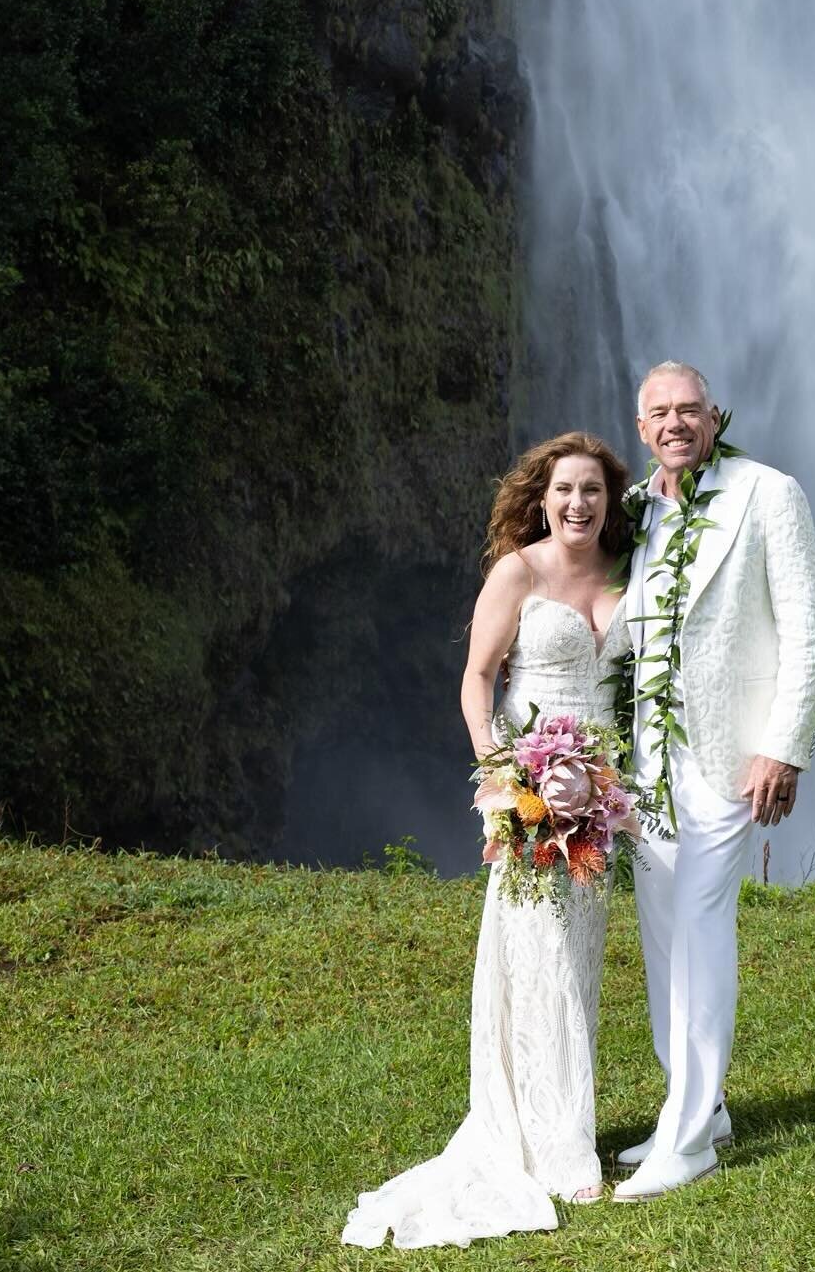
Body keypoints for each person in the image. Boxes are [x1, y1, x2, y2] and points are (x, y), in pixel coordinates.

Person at [342, 432, 633, 1248]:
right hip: (532, 792)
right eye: (565, 489)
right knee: (537, 953)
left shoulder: (624, 574)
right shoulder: (518, 571)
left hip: (601, 799)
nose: (578, 503)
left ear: (611, 503)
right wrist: (505, 779)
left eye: (593, 492)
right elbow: (478, 677)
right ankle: (558, 1142)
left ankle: (559, 1114)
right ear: (540, 497)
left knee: (575, 957)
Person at [614, 362, 815, 1203]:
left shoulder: (768, 493)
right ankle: (695, 1107)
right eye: (659, 412)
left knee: (701, 924)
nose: (676, 422)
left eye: (689, 409)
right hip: (649, 760)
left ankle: (692, 1138)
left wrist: (784, 746)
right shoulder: (633, 512)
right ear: (642, 428)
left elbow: (808, 629)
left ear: (714, 416)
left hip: (731, 754)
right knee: (664, 930)